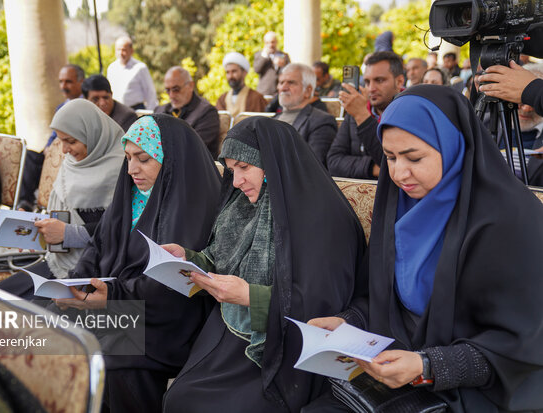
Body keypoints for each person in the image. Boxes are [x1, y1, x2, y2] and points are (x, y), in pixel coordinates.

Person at [304, 85, 543, 412]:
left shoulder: (509, 219)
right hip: (394, 372)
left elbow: (523, 347)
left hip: (479, 389)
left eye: (414, 157)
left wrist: (429, 365)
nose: (400, 173)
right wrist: (349, 322)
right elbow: (382, 298)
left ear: (454, 146)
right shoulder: (399, 202)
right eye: (389, 157)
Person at [160, 116, 366, 412]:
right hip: (227, 335)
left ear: (272, 162)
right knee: (179, 398)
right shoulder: (242, 207)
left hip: (282, 353)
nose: (236, 180)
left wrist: (249, 297)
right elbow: (220, 261)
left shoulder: (323, 218)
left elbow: (321, 308)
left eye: (244, 167)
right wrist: (189, 259)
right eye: (231, 170)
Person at [52, 114, 222, 413]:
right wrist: (75, 283)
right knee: (48, 326)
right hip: (118, 303)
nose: (132, 169)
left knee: (114, 356)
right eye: (128, 158)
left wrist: (113, 298)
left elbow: (175, 282)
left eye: (143, 159)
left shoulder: (193, 202)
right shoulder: (130, 195)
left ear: (170, 160)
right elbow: (98, 245)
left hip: (168, 317)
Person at [0, 100, 125, 295]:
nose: (64, 150)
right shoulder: (73, 162)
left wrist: (68, 234)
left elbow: (121, 229)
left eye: (71, 141)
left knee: (24, 316)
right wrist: (36, 226)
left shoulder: (123, 169)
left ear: (91, 134)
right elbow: (64, 214)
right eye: (60, 141)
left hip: (95, 274)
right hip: (58, 261)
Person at [327, 51, 404, 179]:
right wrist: (371, 168)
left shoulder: (411, 112)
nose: (371, 88)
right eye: (367, 82)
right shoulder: (355, 112)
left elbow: (398, 164)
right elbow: (333, 162)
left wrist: (362, 117)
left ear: (399, 81)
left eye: (379, 80)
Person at [17, 64, 85, 211]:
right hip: (53, 154)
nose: (63, 86)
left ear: (81, 82)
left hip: (70, 155)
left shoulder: (86, 106)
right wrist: (48, 148)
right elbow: (53, 134)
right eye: (61, 82)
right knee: (30, 156)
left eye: (68, 81)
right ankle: (25, 203)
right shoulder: (60, 107)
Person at [273, 63, 338, 166]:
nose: (283, 88)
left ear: (308, 91)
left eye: (291, 83)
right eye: (281, 82)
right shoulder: (272, 119)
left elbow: (313, 166)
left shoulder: (321, 121)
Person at [154, 66, 220, 159]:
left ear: (190, 86)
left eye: (176, 89)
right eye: (168, 90)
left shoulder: (207, 113)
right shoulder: (159, 111)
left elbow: (190, 147)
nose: (171, 95)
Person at [107, 35, 158, 110]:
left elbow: (150, 93)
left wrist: (150, 114)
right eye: (118, 50)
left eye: (124, 50)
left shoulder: (140, 68)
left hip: (136, 110)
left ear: (131, 51)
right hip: (117, 110)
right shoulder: (111, 68)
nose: (121, 53)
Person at [479, 60, 543, 116]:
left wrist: (533, 91)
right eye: (522, 103)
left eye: (532, 103)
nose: (526, 109)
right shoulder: (485, 122)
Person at [216, 52, 267, 118]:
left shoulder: (256, 98)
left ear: (244, 73)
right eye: (227, 72)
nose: (230, 76)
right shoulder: (222, 99)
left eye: (234, 71)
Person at [253, 31, 291, 96]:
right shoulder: (260, 55)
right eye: (267, 43)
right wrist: (264, 56)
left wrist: (283, 65)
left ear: (276, 42)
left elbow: (290, 72)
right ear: (264, 43)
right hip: (264, 92)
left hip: (280, 92)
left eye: (272, 42)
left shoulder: (283, 55)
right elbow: (257, 70)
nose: (270, 45)